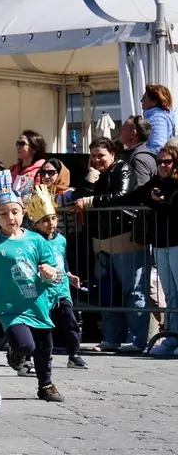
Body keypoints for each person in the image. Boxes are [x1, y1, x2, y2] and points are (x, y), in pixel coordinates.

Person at [0, 170, 65, 403]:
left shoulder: (36, 240)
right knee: (25, 344)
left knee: (44, 346)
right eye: (3, 213)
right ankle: (17, 352)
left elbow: (57, 272)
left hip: (38, 302)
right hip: (9, 307)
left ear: (24, 212)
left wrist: (49, 273)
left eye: (14, 211)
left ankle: (46, 385)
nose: (10, 217)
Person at [91, 145, 178, 356]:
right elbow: (130, 197)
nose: (163, 166)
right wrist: (93, 200)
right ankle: (173, 337)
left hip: (176, 243)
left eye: (167, 161)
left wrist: (158, 202)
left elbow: (172, 208)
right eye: (160, 162)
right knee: (170, 294)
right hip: (159, 244)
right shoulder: (156, 182)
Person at [71, 138, 150, 353]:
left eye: (101, 156)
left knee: (133, 291)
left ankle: (137, 340)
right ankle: (111, 338)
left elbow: (121, 195)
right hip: (100, 243)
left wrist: (91, 201)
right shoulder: (93, 174)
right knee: (107, 292)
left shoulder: (122, 168)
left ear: (112, 155)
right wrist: (89, 181)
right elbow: (76, 199)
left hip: (125, 240)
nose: (96, 160)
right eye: (93, 156)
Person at [25, 185, 88, 370]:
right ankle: (32, 357)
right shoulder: (33, 241)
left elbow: (62, 260)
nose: (51, 223)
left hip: (61, 289)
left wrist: (69, 275)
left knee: (70, 322)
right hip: (42, 291)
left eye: (53, 218)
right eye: (45, 220)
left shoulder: (61, 239)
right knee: (40, 325)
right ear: (36, 224)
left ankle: (74, 354)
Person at [142, 84, 176, 153]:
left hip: (153, 161)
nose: (141, 100)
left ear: (154, 101)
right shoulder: (155, 116)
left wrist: (142, 157)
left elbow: (158, 147)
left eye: (144, 98)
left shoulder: (158, 118)